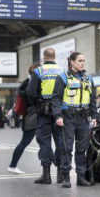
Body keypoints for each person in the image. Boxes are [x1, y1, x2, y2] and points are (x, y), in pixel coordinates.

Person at [52, 52, 97, 188]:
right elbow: (56, 99)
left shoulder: (88, 78)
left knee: (82, 148)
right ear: (71, 62)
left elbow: (93, 100)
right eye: (79, 61)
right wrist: (58, 116)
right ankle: (66, 177)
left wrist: (94, 116)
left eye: (83, 61)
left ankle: (81, 177)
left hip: (84, 117)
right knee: (67, 148)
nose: (82, 63)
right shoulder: (62, 78)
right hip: (68, 117)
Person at [26, 48, 63, 185]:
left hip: (44, 113)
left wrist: (38, 102)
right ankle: (61, 175)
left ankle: (46, 176)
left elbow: (30, 93)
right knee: (60, 141)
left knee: (44, 141)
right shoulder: (63, 71)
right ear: (54, 57)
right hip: (60, 113)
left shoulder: (38, 71)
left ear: (44, 58)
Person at [8, 62, 41, 174]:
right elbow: (32, 98)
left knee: (42, 142)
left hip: (30, 116)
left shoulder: (28, 82)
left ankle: (12, 166)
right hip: (33, 116)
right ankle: (12, 166)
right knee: (27, 142)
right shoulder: (33, 83)